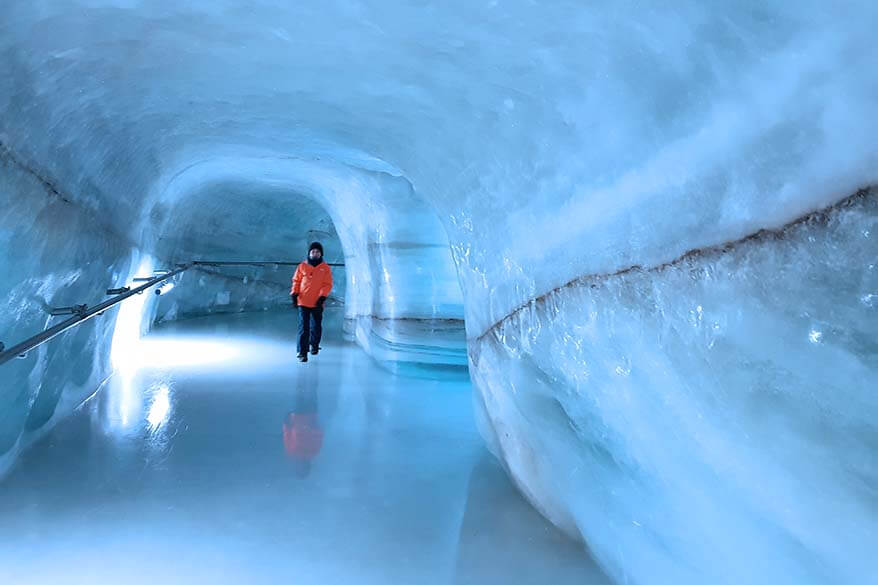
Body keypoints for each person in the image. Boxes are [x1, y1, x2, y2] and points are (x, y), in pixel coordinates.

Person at [290, 241, 333, 362]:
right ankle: (302, 352)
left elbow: (327, 284)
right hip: (303, 301)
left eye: (317, 252)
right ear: (309, 253)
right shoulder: (302, 266)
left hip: (317, 303)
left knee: (316, 326)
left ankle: (314, 345)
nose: (315, 253)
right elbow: (296, 281)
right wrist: (294, 293)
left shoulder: (325, 268)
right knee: (303, 327)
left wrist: (322, 297)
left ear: (321, 254)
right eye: (313, 251)